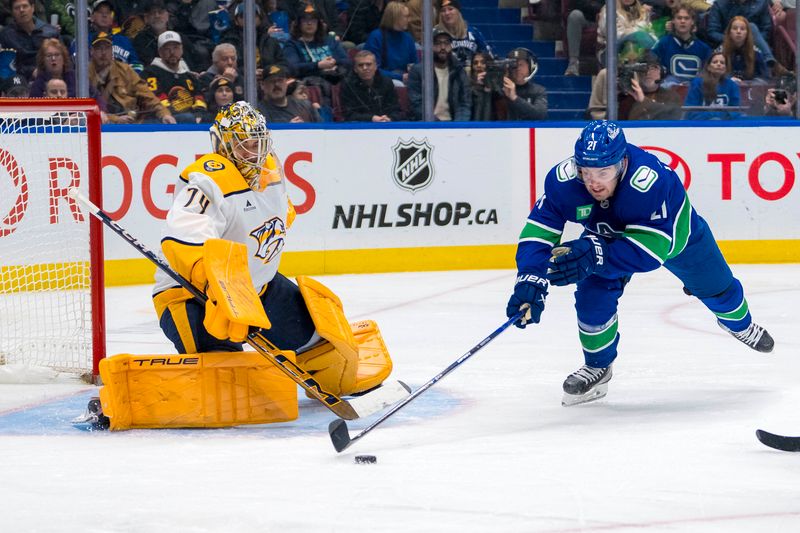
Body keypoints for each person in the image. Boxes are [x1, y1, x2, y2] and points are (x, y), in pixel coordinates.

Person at [506, 120, 774, 407]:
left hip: (678, 240)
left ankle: (740, 325)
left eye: (603, 172)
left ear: (622, 163)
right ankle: (599, 365)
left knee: (720, 292)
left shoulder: (651, 181)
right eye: (586, 172)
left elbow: (652, 252)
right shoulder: (565, 182)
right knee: (591, 296)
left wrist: (596, 254)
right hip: (604, 237)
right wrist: (530, 277)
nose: (593, 182)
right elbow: (538, 230)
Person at [150, 100, 393, 412]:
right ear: (222, 146)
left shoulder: (270, 171)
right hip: (194, 296)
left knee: (330, 354)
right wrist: (215, 288)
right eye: (244, 147)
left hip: (260, 290)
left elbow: (274, 219)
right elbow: (183, 240)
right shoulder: (207, 181)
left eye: (257, 145)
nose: (253, 154)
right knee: (230, 388)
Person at [88, 32, 176, 124]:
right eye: (99, 48)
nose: (103, 53)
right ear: (91, 51)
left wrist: (164, 114)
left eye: (107, 48)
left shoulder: (125, 69)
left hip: (132, 121)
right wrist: (115, 119)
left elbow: (146, 94)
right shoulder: (84, 74)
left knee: (184, 118)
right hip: (101, 122)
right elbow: (85, 110)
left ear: (112, 50)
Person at [141, 31, 207, 123]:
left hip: (189, 118)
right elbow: (156, 98)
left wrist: (199, 114)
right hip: (162, 119)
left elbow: (199, 96)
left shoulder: (189, 76)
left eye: (176, 48)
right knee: (187, 118)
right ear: (160, 52)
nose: (172, 52)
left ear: (182, 49)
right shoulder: (150, 73)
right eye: (167, 49)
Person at [407, 27, 471, 121]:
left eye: (446, 43)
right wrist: (437, 125)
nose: (443, 47)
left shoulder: (459, 71)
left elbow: (464, 103)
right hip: (427, 125)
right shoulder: (418, 71)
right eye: (438, 43)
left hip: (453, 125)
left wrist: (458, 126)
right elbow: (417, 105)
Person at [284, 5, 351, 83]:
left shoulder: (330, 40)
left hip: (335, 79)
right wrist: (318, 65)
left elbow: (347, 61)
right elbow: (293, 68)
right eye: (305, 20)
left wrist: (334, 62)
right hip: (310, 84)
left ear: (318, 23)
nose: (309, 23)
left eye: (313, 20)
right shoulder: (292, 44)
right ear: (298, 23)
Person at [651, 5, 712, 87]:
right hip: (668, 93)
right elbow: (651, 64)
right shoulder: (663, 43)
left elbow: (709, 75)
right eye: (679, 18)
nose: (682, 21)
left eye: (686, 18)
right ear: (673, 21)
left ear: (692, 21)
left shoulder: (704, 49)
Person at [706, 0, 776, 69]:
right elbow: (712, 31)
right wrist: (732, 39)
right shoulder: (719, 4)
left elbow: (766, 29)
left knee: (751, 27)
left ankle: (769, 63)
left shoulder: (761, 3)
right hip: (726, 43)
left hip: (754, 44)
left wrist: (748, 41)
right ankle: (769, 59)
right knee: (748, 26)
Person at [0, 0, 59, 80]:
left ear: (33, 8)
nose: (21, 10)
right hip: (20, 81)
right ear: (12, 12)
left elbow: (63, 59)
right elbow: (6, 67)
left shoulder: (51, 32)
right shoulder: (6, 35)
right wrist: (31, 71)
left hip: (50, 76)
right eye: (17, 8)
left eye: (25, 6)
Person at [363, 1, 417, 86]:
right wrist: (400, 76)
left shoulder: (408, 38)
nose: (409, 20)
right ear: (395, 18)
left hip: (405, 78)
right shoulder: (376, 37)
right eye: (406, 17)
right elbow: (373, 68)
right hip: (384, 79)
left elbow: (415, 64)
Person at [340, 49, 402, 122]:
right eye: (360, 65)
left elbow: (396, 110)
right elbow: (348, 114)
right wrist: (371, 118)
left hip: (385, 124)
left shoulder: (387, 82)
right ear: (355, 69)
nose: (365, 68)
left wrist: (390, 118)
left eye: (368, 64)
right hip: (359, 127)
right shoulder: (348, 85)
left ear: (375, 67)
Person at [622, 50, 683, 119]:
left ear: (662, 72)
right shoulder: (628, 99)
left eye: (654, 68)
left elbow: (672, 116)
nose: (648, 72)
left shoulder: (671, 96)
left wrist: (643, 100)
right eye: (643, 68)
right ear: (637, 73)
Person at [683, 51, 742, 119]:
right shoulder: (697, 83)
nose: (719, 64)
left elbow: (735, 111)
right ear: (708, 67)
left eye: (722, 63)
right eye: (715, 62)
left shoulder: (732, 86)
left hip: (725, 125)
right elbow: (690, 111)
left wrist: (720, 117)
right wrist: (712, 117)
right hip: (700, 125)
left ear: (726, 68)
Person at [434, 0, 492, 68]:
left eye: (450, 9)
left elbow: (488, 56)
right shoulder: (435, 34)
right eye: (443, 11)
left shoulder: (473, 32)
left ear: (458, 11)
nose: (447, 13)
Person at [257, 63, 322, 123]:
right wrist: (288, 129)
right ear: (262, 85)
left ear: (287, 82)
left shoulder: (306, 106)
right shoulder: (257, 113)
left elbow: (322, 131)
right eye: (271, 81)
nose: (276, 84)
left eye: (280, 80)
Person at [720, 15, 770, 82]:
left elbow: (765, 78)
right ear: (729, 32)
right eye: (735, 28)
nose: (738, 31)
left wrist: (749, 84)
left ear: (747, 33)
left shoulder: (756, 52)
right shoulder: (720, 52)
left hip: (750, 89)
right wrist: (728, 80)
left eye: (742, 29)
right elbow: (712, 75)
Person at [501, 48, 547, 121]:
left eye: (521, 65)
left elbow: (540, 115)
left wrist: (514, 98)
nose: (518, 69)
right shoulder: (500, 89)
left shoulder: (538, 91)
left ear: (530, 68)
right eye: (514, 65)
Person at [564, 0, 603, 76]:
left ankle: (610, 65)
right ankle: (573, 63)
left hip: (605, 19)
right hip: (586, 19)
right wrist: (596, 9)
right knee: (575, 15)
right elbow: (576, 4)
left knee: (611, 16)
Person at [469, 51, 495, 121]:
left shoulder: (496, 86)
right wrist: (477, 87)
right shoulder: (467, 87)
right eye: (475, 63)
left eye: (483, 62)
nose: (479, 65)